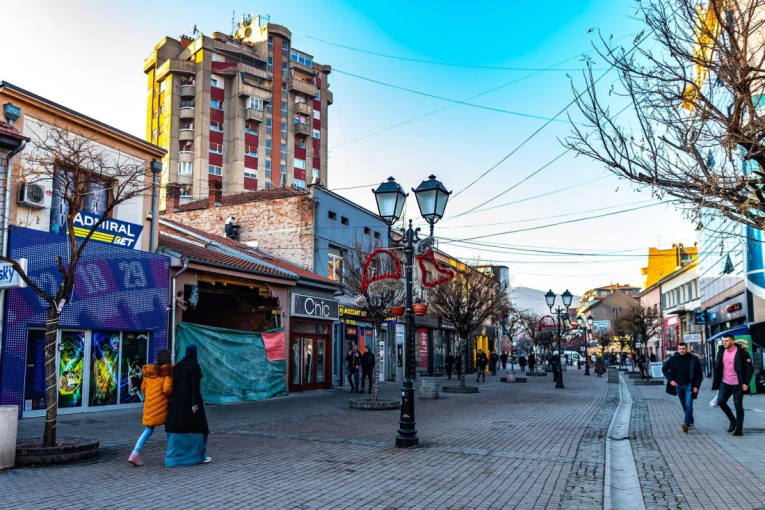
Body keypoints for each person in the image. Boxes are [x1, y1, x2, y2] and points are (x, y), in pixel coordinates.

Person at [165, 345, 210, 467]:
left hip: (177, 400)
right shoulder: (195, 366)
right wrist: (195, 403)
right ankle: (200, 456)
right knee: (199, 426)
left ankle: (175, 457)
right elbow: (195, 386)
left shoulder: (178, 365)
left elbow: (173, 384)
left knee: (177, 425)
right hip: (190, 398)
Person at [128, 349, 173, 467]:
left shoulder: (149, 372)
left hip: (149, 405)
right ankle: (171, 454)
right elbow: (167, 389)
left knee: (148, 430)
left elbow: (143, 388)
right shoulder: (166, 372)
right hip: (163, 406)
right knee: (169, 429)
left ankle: (134, 453)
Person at [711, 335, 754, 436]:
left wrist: (745, 383)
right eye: (723, 341)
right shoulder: (721, 351)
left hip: (737, 383)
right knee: (721, 402)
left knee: (738, 406)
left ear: (733, 341)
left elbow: (749, 369)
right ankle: (733, 421)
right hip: (725, 382)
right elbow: (718, 367)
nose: (724, 343)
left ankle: (739, 429)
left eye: (726, 341)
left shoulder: (742, 353)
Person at [662, 342, 703, 433]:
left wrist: (696, 386)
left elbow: (699, 375)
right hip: (678, 385)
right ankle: (690, 420)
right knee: (684, 404)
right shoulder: (673, 359)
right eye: (680, 349)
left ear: (687, 349)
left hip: (689, 385)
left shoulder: (693, 359)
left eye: (683, 349)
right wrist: (671, 380)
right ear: (678, 349)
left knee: (688, 404)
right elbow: (664, 369)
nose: (681, 350)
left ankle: (686, 423)